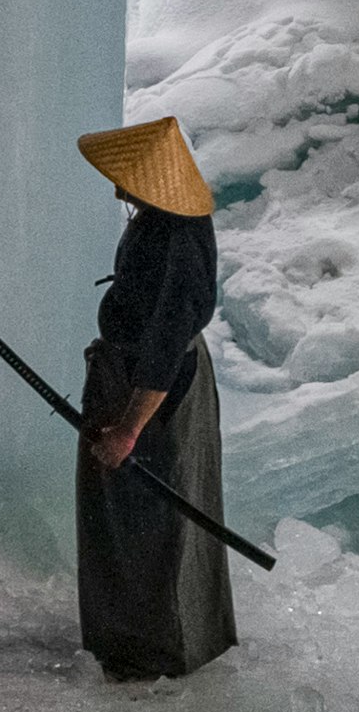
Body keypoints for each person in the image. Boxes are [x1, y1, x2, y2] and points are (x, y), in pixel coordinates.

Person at [72, 114, 236, 679]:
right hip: (135, 373)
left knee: (150, 518)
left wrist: (129, 426)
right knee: (131, 516)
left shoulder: (180, 233)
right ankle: (135, 637)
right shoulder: (159, 220)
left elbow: (168, 334)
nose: (116, 185)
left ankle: (156, 647)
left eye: (127, 175)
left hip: (155, 387)